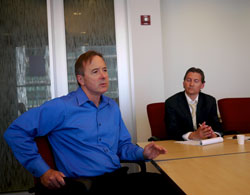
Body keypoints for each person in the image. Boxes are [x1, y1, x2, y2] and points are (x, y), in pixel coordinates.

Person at [4, 50, 169, 194]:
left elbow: (122, 146)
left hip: (115, 178)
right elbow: (15, 132)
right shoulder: (61, 107)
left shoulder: (111, 106)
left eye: (105, 70)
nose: (103, 75)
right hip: (83, 184)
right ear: (81, 79)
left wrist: (143, 153)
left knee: (166, 183)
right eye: (95, 71)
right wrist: (43, 171)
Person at [165, 67, 223, 141]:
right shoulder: (172, 102)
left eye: (196, 81)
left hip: (205, 143)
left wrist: (214, 134)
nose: (191, 84)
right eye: (188, 80)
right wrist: (192, 135)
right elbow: (171, 130)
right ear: (183, 83)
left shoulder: (210, 101)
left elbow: (217, 126)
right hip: (183, 145)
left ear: (202, 85)